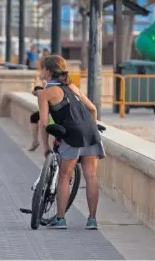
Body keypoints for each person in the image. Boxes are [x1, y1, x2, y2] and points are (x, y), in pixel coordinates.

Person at [37, 55, 104, 230]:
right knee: (91, 176)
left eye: (41, 68)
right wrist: (90, 126)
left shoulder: (44, 93)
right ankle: (92, 220)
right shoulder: (73, 87)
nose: (39, 71)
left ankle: (60, 219)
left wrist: (45, 146)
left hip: (71, 135)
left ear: (48, 71)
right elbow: (93, 109)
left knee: (64, 177)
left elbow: (44, 123)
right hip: (90, 132)